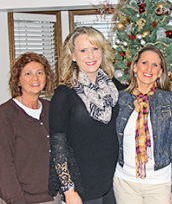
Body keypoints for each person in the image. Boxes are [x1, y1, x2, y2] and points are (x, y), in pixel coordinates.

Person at [48, 27, 125, 204]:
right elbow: (58, 147)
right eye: (83, 50)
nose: (91, 56)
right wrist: (69, 190)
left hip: (115, 182)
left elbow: (140, 101)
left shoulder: (114, 87)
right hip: (83, 187)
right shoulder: (63, 94)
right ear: (73, 56)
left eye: (95, 48)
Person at [113, 46, 172, 204]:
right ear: (135, 67)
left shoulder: (168, 101)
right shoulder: (119, 100)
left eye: (155, 65)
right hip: (125, 183)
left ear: (160, 72)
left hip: (160, 183)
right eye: (144, 62)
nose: (149, 68)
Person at [0, 52, 61, 204]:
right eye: (28, 73)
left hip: (54, 198)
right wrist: (16, 200)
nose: (35, 78)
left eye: (39, 73)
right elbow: (3, 165)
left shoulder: (51, 109)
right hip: (22, 199)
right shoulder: (5, 115)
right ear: (18, 80)